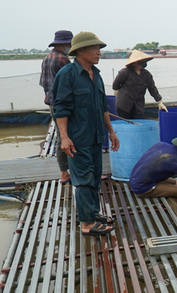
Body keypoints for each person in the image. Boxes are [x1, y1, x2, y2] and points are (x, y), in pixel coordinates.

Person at [52, 31, 120, 237]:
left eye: (99, 48)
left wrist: (111, 131)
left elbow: (103, 108)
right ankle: (87, 224)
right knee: (82, 179)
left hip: (96, 137)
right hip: (77, 139)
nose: (99, 52)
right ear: (80, 51)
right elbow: (60, 109)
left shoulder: (96, 75)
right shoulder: (67, 74)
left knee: (94, 177)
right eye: (95, 48)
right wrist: (64, 137)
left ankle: (93, 212)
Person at [39, 30, 73, 184]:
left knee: (61, 136)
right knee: (65, 137)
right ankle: (66, 172)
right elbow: (71, 85)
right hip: (63, 105)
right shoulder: (63, 60)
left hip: (51, 103)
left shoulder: (46, 58)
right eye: (70, 44)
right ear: (64, 44)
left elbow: (43, 84)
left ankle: (64, 171)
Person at [112, 50, 167, 119]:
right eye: (140, 61)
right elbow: (115, 85)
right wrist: (117, 94)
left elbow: (152, 89)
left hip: (138, 106)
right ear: (134, 63)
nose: (143, 63)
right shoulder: (125, 72)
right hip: (124, 105)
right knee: (125, 124)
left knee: (138, 123)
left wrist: (159, 101)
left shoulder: (147, 75)